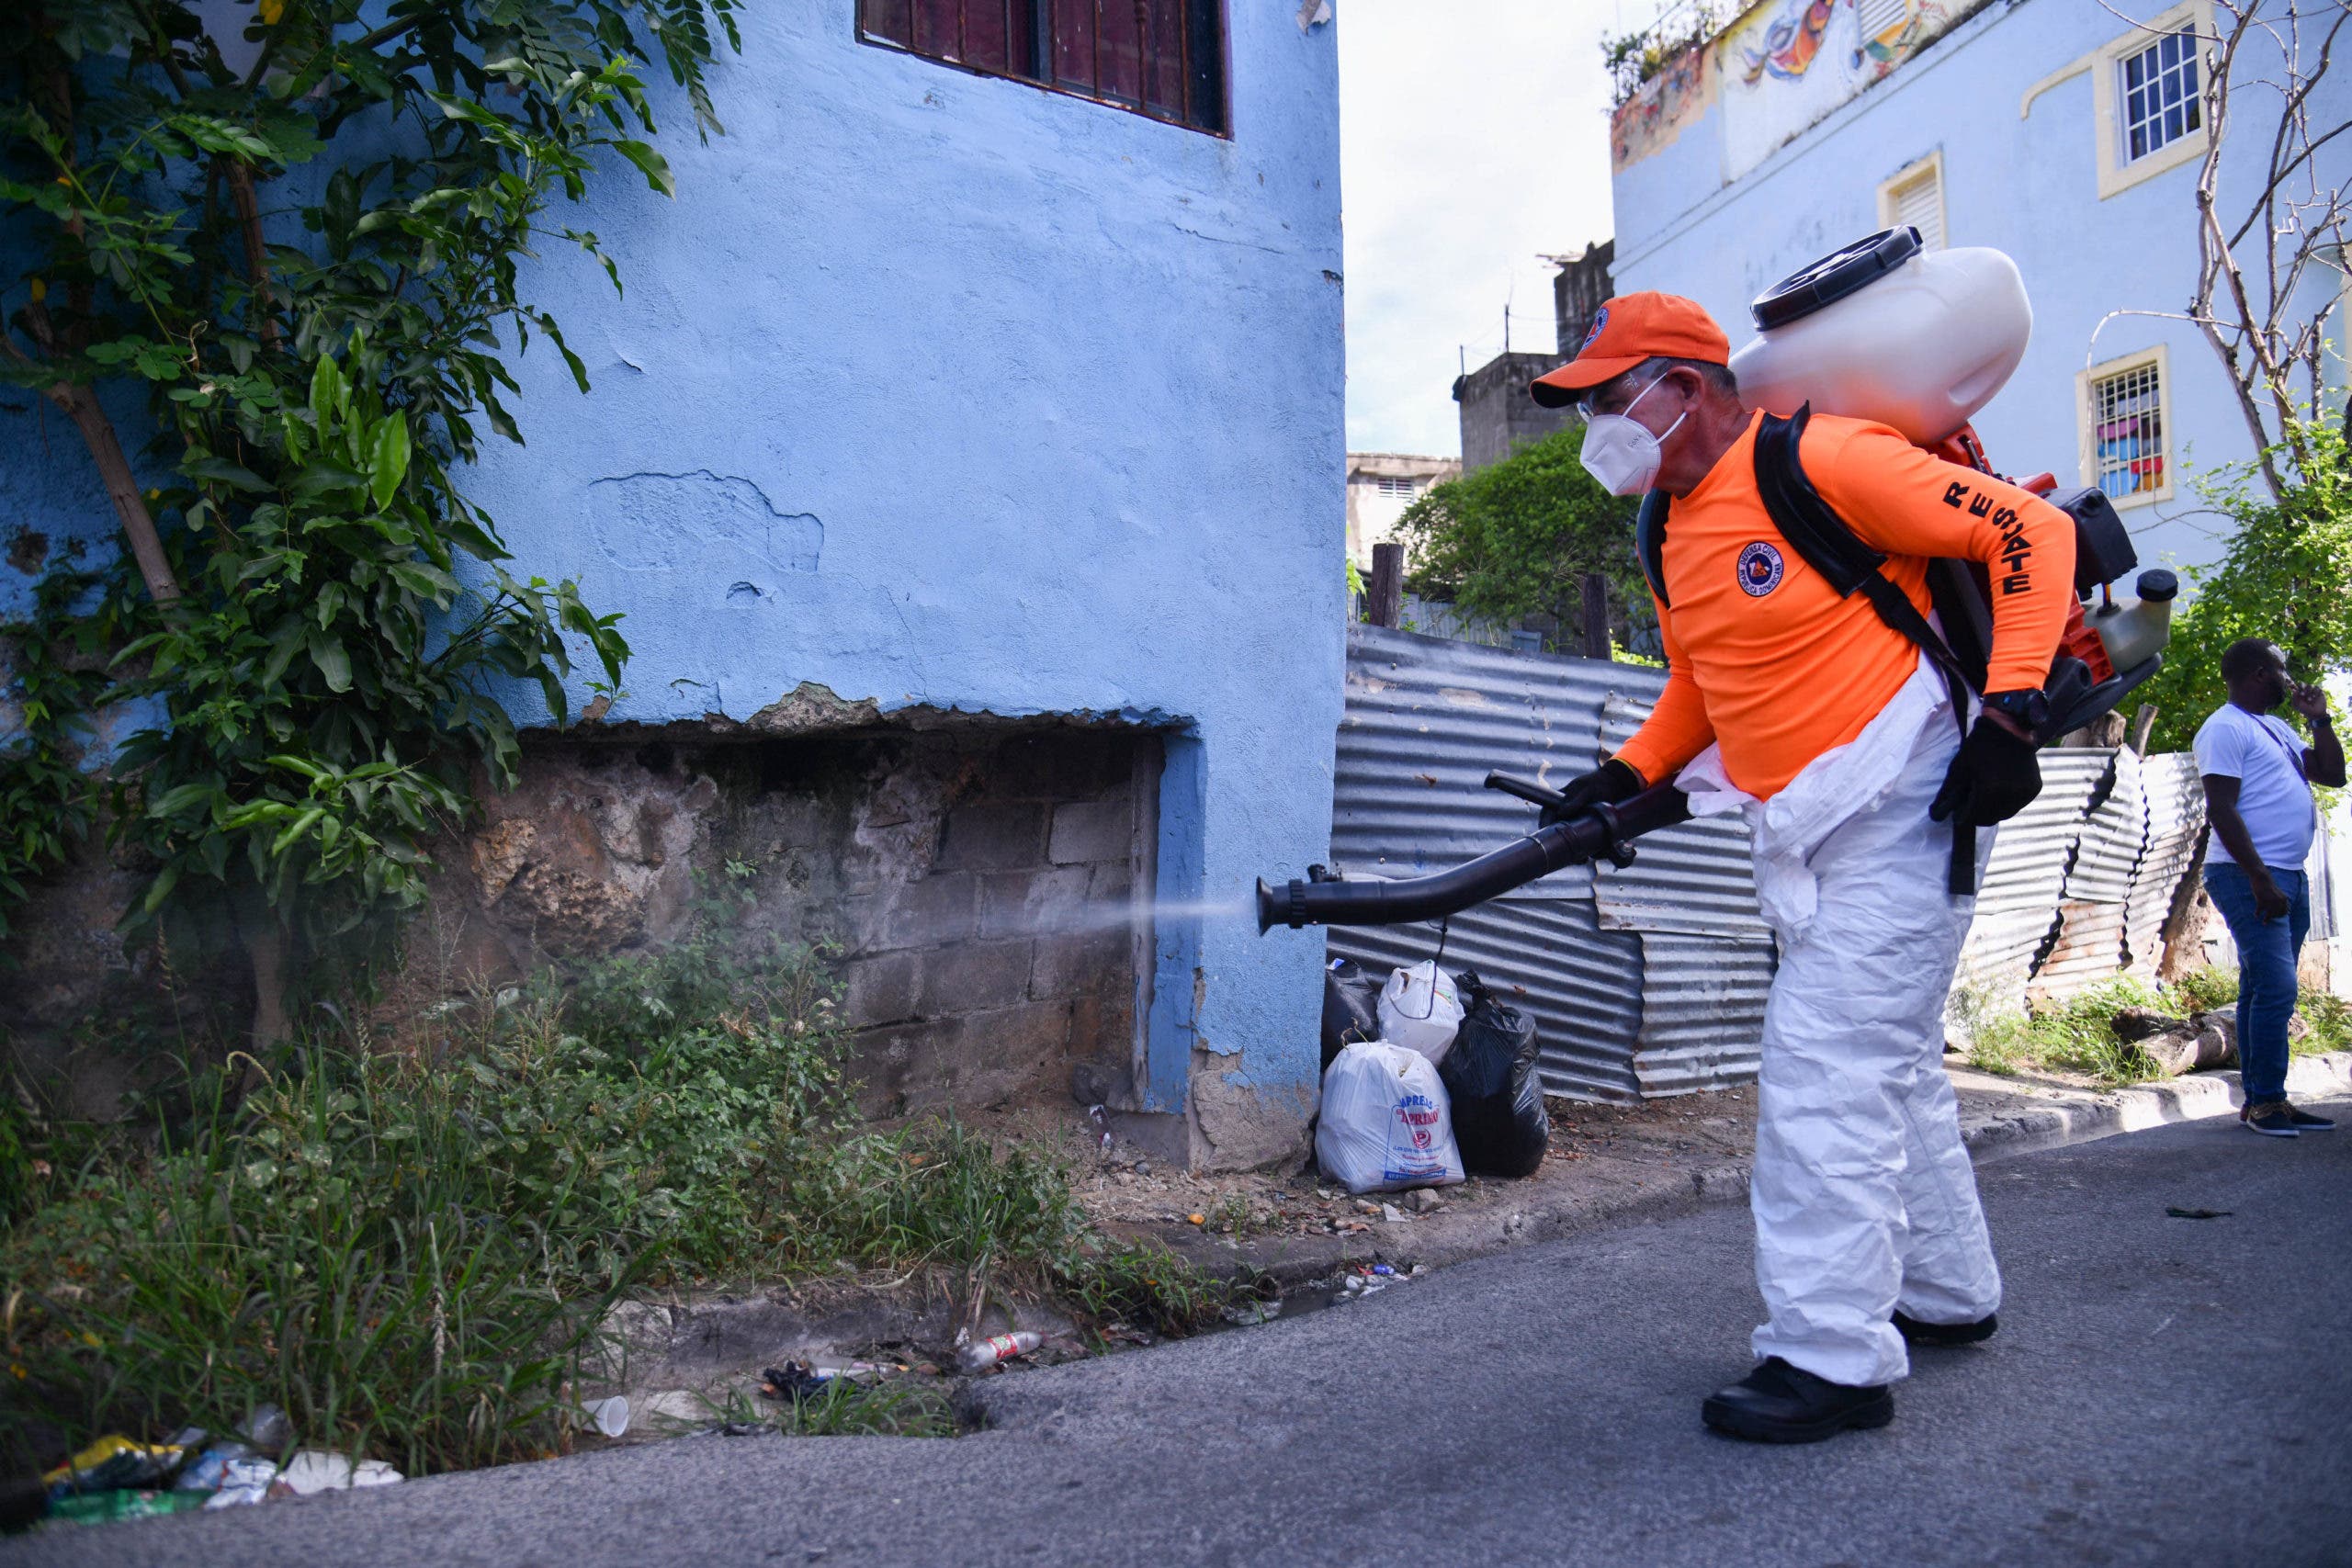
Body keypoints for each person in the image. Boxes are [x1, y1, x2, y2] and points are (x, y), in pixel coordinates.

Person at [1524, 293, 2077, 1444]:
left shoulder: (1823, 460)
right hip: (1808, 831)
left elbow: (2034, 535)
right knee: (1893, 1068)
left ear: (1682, 387)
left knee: (1826, 1070)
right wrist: (1626, 774)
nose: (1597, 433)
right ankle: (1948, 1292)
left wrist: (2013, 714)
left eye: (1610, 401)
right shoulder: (1668, 531)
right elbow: (1702, 682)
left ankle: (1830, 1360)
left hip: (1908, 804)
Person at [2193, 638, 2345, 1136]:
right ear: (2260, 673)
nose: (2289, 679)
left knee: (2260, 986)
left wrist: (2319, 720)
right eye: (2282, 671)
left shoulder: (2274, 727)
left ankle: (2263, 1100)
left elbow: (2332, 775)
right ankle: (2266, 1102)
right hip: (2247, 875)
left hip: (2287, 875)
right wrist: (2259, 878)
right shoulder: (2224, 728)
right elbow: (2221, 808)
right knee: (2277, 987)